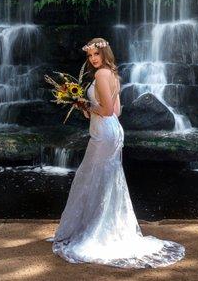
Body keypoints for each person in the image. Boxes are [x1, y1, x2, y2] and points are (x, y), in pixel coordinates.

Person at [51, 37, 185, 268]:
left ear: (104, 54)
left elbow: (103, 109)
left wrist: (84, 105)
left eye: (96, 54)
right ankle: (98, 225)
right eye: (90, 55)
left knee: (92, 177)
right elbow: (117, 110)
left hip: (104, 133)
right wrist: (84, 106)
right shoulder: (113, 75)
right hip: (112, 129)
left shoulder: (102, 75)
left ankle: (95, 230)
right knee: (105, 179)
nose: (93, 59)